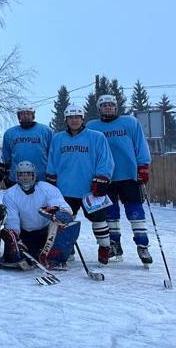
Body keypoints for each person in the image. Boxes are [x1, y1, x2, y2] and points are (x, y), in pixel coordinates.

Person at [86, 95, 152, 264]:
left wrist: (143, 166)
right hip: (104, 178)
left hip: (128, 175)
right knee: (110, 213)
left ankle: (142, 246)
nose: (107, 108)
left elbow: (140, 144)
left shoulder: (130, 122)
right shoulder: (92, 127)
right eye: (104, 105)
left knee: (135, 211)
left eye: (111, 105)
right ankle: (114, 244)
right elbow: (89, 151)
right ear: (99, 108)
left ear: (116, 107)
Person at [46, 104, 115, 264]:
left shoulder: (97, 137)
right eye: (70, 117)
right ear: (66, 120)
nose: (74, 120)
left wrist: (103, 177)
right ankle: (66, 249)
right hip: (66, 188)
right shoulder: (58, 138)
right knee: (65, 221)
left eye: (77, 117)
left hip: (90, 189)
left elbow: (105, 159)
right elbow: (52, 160)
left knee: (99, 219)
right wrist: (51, 179)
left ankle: (104, 247)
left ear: (83, 118)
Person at [0, 161, 77, 270]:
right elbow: (12, 220)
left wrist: (59, 211)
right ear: (17, 176)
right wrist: (15, 237)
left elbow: (61, 204)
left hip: (46, 233)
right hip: (25, 234)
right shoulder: (10, 194)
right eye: (21, 174)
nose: (25, 177)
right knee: (20, 258)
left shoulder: (48, 189)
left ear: (34, 175)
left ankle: (58, 256)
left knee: (59, 225)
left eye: (28, 174)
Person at [1, 105, 52, 187]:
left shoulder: (46, 131)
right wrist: (6, 174)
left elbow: (52, 155)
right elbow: (6, 157)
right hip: (17, 178)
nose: (25, 116)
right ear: (18, 116)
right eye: (22, 114)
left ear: (33, 115)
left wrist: (51, 174)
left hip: (41, 178)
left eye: (28, 113)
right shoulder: (9, 133)